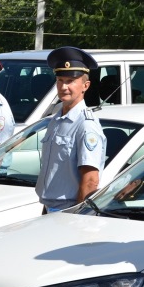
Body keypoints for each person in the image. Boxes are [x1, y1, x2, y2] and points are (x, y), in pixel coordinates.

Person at [35, 46, 106, 213]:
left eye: (70, 81)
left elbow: (90, 180)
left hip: (68, 211)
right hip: (49, 207)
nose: (64, 87)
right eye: (60, 80)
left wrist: (77, 217)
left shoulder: (86, 125)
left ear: (85, 85)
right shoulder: (56, 119)